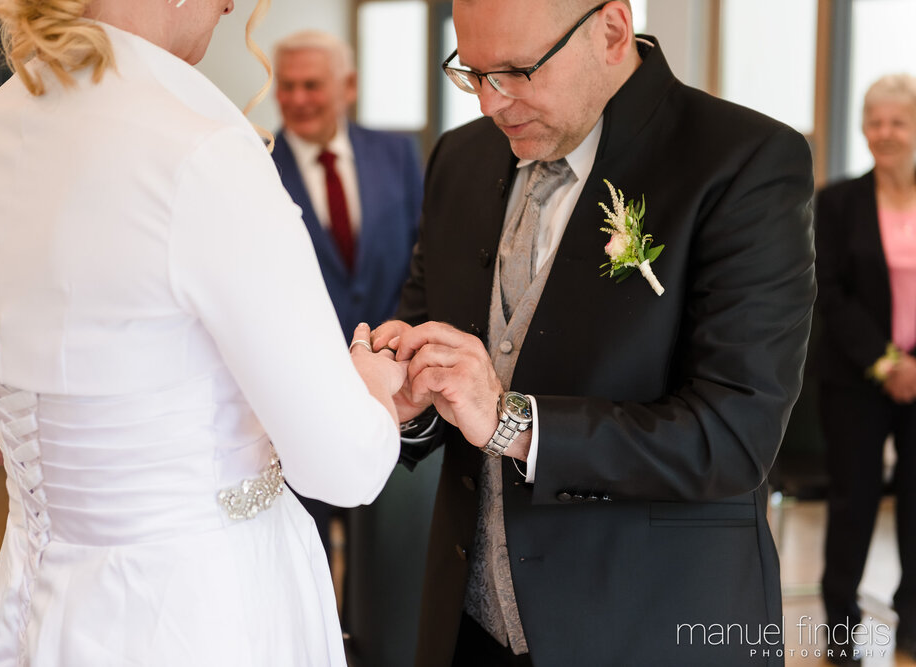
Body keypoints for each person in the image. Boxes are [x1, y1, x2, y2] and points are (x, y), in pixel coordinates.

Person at [0, 0, 405, 665]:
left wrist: (73, 462)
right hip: (202, 607)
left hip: (29, 601)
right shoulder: (201, 148)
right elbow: (342, 463)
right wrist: (373, 387)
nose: (233, 4)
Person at [370, 0, 816, 665]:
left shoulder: (743, 162)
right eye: (474, 72)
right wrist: (401, 397)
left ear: (610, 30)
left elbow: (732, 437)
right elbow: (429, 339)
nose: (492, 103)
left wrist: (511, 421)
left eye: (518, 71)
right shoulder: (458, 160)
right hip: (469, 624)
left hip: (646, 626)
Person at [270, 29, 422, 556]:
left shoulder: (398, 155)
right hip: (298, 398)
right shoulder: (256, 166)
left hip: (392, 390)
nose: (296, 99)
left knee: (386, 556)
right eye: (285, 86)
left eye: (311, 84)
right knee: (303, 546)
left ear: (348, 86)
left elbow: (421, 259)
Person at [815, 73, 916, 665]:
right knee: (853, 503)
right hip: (856, 378)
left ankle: (912, 620)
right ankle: (841, 630)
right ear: (863, 128)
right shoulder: (837, 201)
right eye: (875, 121)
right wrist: (885, 361)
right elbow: (830, 292)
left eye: (897, 121)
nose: (885, 132)